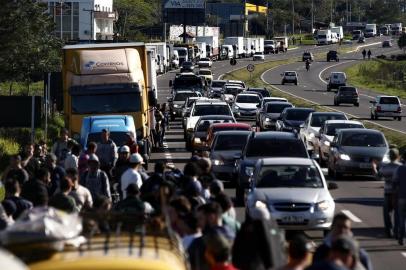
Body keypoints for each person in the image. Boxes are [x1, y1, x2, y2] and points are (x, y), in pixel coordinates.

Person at [372, 148, 401, 238]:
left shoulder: (386, 167)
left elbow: (378, 176)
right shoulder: (401, 167)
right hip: (398, 194)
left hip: (388, 193)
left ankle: (389, 230)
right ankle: (398, 231)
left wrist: (374, 168)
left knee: (387, 213)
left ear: (389, 156)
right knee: (398, 213)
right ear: (398, 156)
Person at [393, 151, 406, 245]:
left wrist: (394, 195)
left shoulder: (399, 169)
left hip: (402, 196)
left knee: (401, 218)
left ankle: (401, 238)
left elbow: (395, 182)